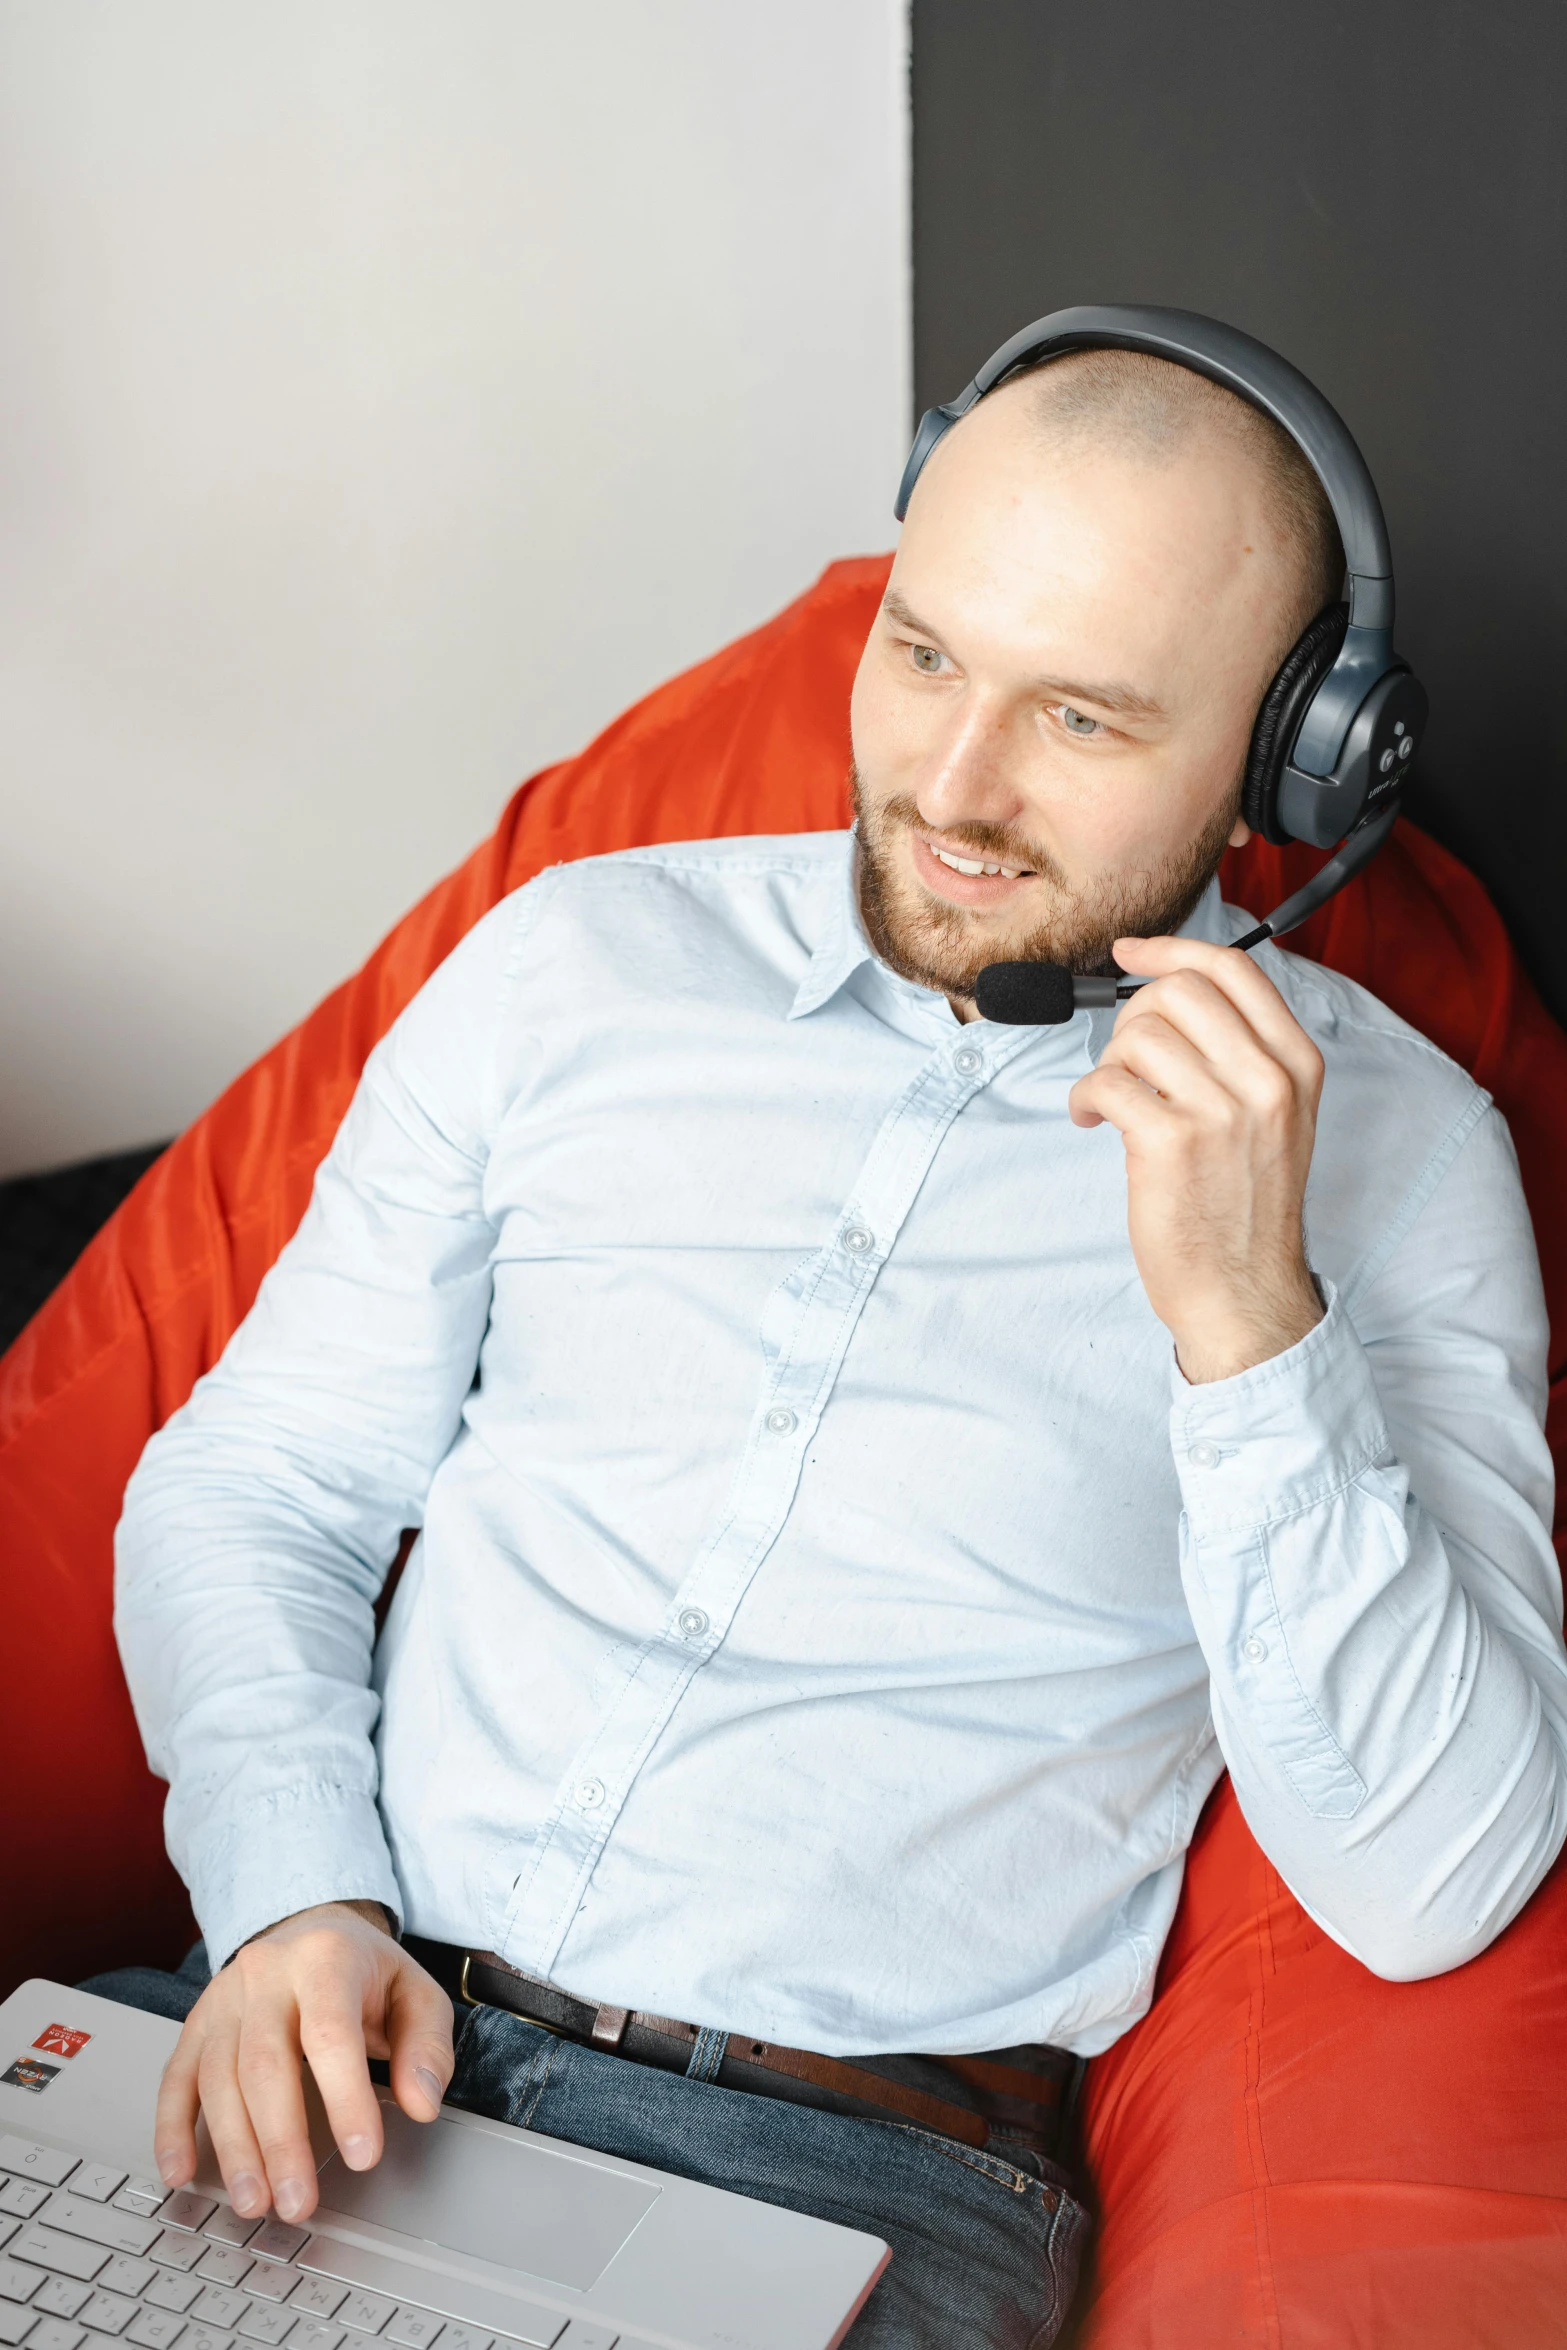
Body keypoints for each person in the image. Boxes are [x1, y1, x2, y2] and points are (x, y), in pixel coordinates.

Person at [108, 345, 1567, 2350]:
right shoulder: (571, 960)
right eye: (923, 655)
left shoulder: (1399, 1160)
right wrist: (286, 1894)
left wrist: (1251, 1327)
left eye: (1081, 716)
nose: (953, 791)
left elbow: (1435, 1878)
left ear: (1294, 758)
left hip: (837, 2177)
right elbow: (261, 1470)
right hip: (310, 2033)